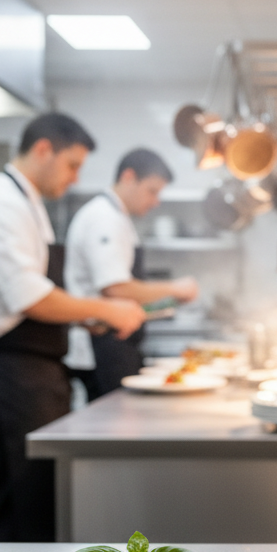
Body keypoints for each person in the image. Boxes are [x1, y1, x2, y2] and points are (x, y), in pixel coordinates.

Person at [0, 113, 146, 542]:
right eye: (72, 165)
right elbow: (30, 297)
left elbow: (39, 293)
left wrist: (85, 317)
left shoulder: (26, 203)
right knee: (19, 509)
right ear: (44, 150)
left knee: (37, 501)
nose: (75, 178)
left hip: (35, 372)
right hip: (8, 372)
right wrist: (108, 310)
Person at [64, 148, 198, 399]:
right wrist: (174, 288)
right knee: (114, 431)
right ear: (128, 177)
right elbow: (116, 288)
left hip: (115, 342)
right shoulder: (105, 218)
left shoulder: (117, 217)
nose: (156, 201)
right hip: (103, 343)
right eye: (152, 191)